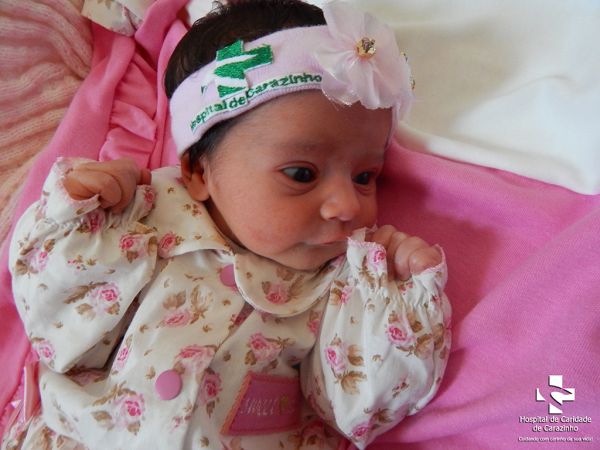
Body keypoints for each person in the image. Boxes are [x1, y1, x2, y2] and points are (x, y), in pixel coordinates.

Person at [5, 0, 451, 449]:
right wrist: (77, 218)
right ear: (199, 172)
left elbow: (355, 408)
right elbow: (56, 323)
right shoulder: (144, 222)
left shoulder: (345, 289)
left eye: (365, 177)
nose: (347, 205)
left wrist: (398, 306)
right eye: (302, 174)